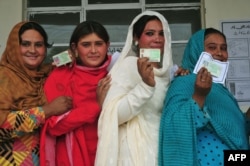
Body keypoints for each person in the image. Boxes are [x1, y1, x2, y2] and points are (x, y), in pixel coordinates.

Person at [158, 28, 249, 166]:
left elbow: (237, 128)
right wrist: (199, 95)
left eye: (223, 48)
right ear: (197, 50)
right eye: (212, 48)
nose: (219, 53)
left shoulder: (222, 91)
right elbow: (174, 125)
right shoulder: (183, 82)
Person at [95, 10, 175, 166]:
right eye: (150, 33)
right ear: (136, 38)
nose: (157, 39)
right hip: (134, 152)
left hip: (163, 150)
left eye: (161, 33)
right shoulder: (127, 66)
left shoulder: (168, 74)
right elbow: (114, 114)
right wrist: (145, 86)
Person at [40, 20, 112, 166]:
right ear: (75, 47)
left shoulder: (116, 72)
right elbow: (53, 127)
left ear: (107, 46)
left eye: (99, 44)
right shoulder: (61, 75)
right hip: (71, 157)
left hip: (111, 153)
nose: (93, 50)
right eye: (86, 45)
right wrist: (95, 107)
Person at [0, 21, 72, 165]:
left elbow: (59, 62)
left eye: (39, 45)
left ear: (45, 49)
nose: (32, 50)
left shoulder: (44, 74)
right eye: (25, 44)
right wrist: (47, 110)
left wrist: (72, 55)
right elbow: (2, 126)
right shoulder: (4, 77)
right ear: (14, 47)